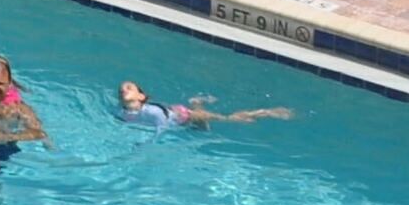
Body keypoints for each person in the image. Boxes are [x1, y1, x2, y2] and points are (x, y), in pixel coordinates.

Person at [119, 79, 289, 130]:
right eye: (121, 90)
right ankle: (197, 102)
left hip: (183, 115)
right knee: (203, 130)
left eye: (129, 87)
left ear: (141, 96)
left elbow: (161, 129)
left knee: (228, 118)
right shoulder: (122, 113)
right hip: (174, 113)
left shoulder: (153, 112)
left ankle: (267, 112)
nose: (124, 89)